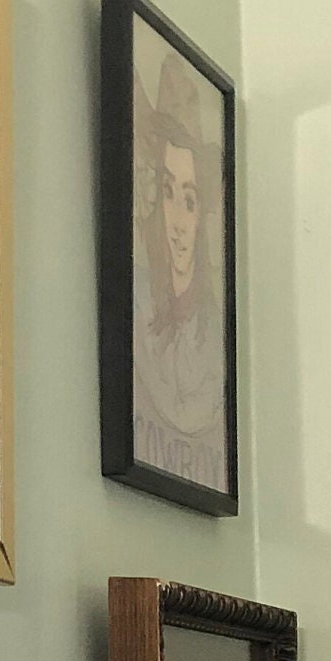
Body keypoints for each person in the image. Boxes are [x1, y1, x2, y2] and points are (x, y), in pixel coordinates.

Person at [131, 49, 227, 491]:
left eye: (189, 200)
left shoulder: (212, 335)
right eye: (168, 193)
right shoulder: (138, 304)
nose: (178, 222)